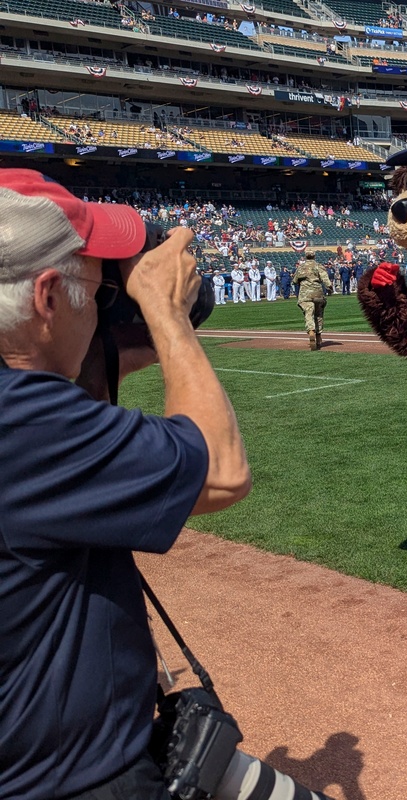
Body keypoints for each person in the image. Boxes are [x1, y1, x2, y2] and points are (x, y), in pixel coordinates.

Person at [0, 169, 251, 799]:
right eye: (95, 280)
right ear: (47, 296)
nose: (105, 297)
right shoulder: (27, 425)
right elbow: (221, 473)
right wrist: (166, 312)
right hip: (73, 777)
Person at [294, 250, 332, 350]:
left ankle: (311, 330)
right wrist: (330, 287)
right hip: (317, 293)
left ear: (306, 256)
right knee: (319, 314)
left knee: (308, 312)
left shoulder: (301, 267)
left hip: (305, 294)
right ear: (314, 256)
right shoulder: (318, 266)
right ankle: (319, 337)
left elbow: (295, 280)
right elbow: (325, 279)